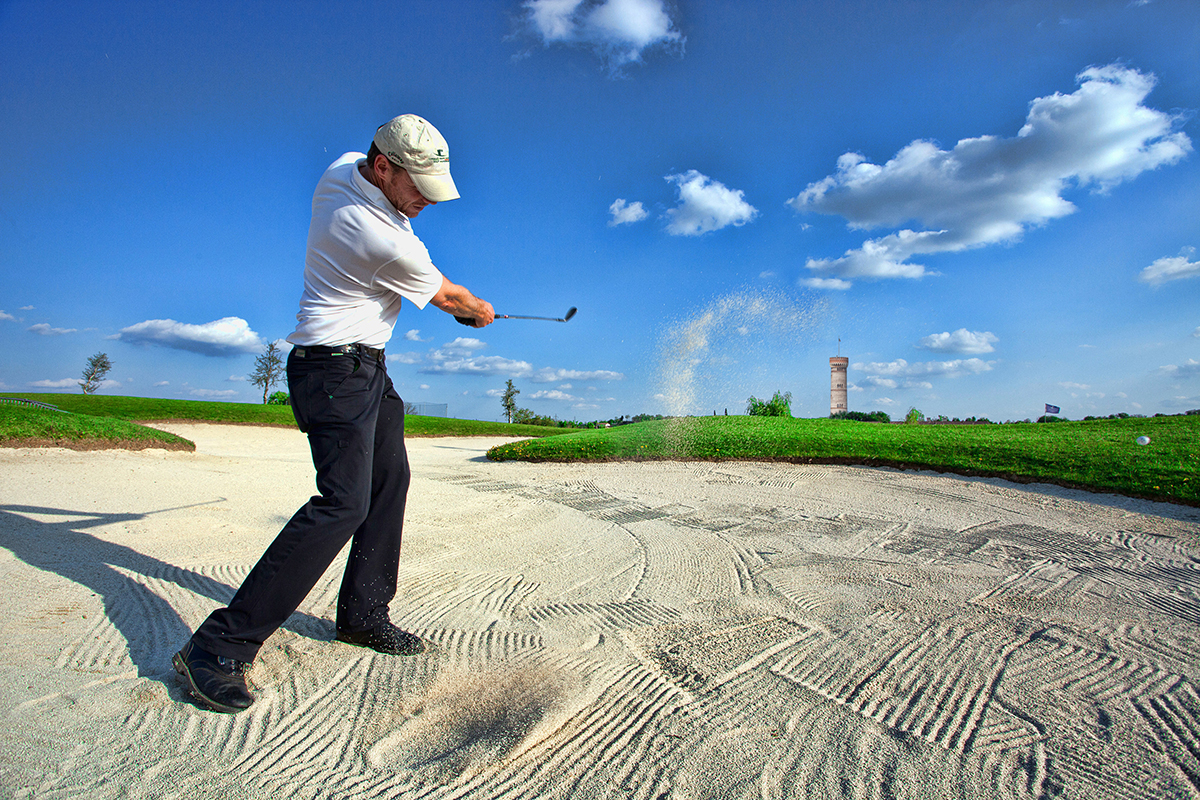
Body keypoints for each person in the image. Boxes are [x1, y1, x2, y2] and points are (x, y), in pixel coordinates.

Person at [173, 114, 495, 713]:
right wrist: (477, 309)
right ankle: (218, 646)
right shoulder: (381, 237)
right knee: (342, 503)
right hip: (332, 375)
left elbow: (422, 269)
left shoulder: (338, 171)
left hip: (365, 369)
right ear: (382, 168)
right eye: (418, 186)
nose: (427, 200)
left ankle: (363, 614)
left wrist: (457, 300)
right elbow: (450, 298)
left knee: (389, 479)